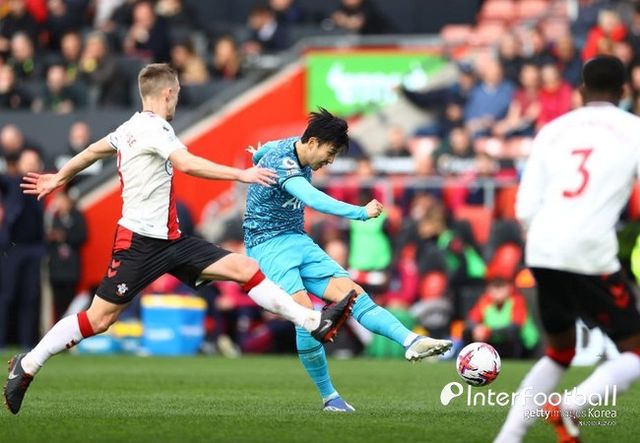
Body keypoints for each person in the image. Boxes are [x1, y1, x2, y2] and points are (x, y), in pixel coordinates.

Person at [3, 63, 356, 415]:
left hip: (171, 240)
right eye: (178, 94)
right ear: (168, 93)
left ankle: (311, 321)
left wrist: (59, 177)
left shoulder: (129, 127)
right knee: (99, 320)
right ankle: (28, 363)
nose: (177, 100)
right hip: (139, 243)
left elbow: (93, 150)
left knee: (244, 268)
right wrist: (241, 174)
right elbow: (186, 164)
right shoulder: (156, 128)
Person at [243, 108, 452, 412]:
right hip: (268, 245)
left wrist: (256, 156)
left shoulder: (288, 147)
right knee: (305, 315)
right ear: (313, 142)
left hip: (297, 240)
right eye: (329, 153)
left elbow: (263, 152)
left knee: (354, 294)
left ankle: (411, 341)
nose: (330, 161)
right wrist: (360, 212)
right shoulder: (283, 161)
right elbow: (312, 198)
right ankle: (330, 397)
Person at [494, 55, 640, 443]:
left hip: (543, 248)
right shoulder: (634, 129)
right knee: (636, 351)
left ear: (581, 90)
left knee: (560, 351)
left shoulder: (553, 130)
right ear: (624, 91)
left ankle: (508, 437)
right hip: (590, 251)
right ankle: (572, 405)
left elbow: (524, 207)